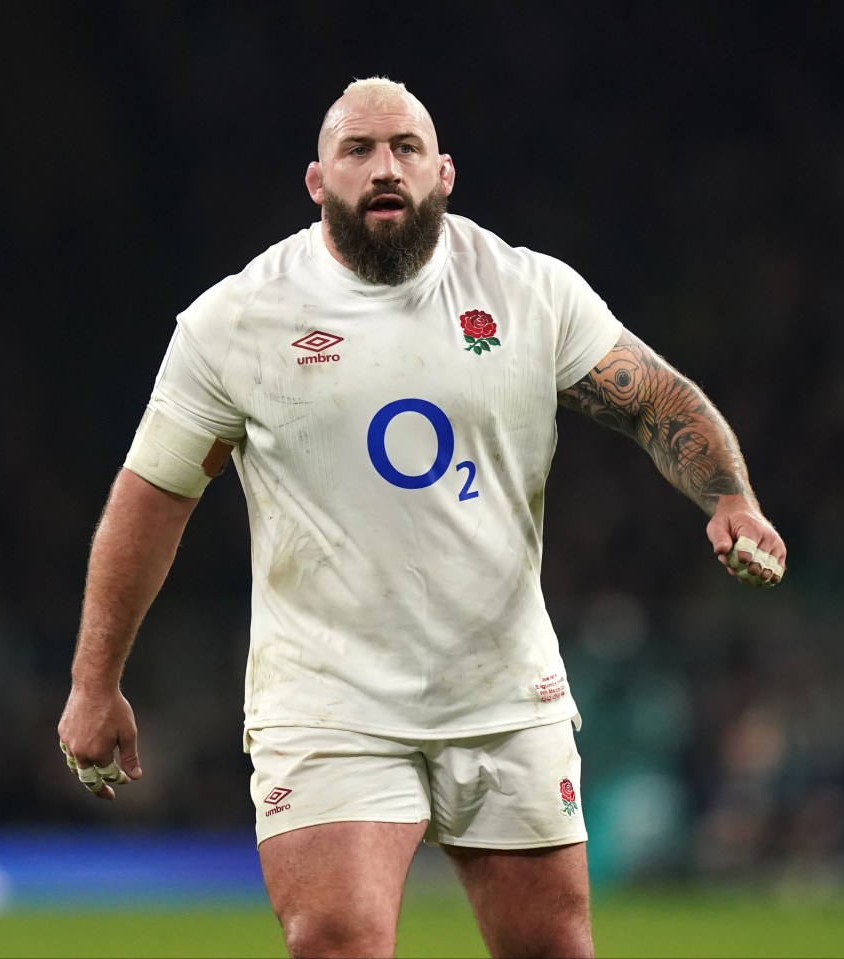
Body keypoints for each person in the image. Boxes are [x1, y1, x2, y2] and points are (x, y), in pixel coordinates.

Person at [58, 76, 786, 959]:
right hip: (328, 699)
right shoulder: (236, 320)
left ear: (443, 173)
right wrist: (96, 680)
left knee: (551, 946)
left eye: (404, 147)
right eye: (357, 150)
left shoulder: (528, 292)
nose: (384, 166)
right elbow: (153, 496)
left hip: (501, 689)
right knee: (334, 940)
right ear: (316, 181)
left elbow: (653, 399)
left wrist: (729, 498)